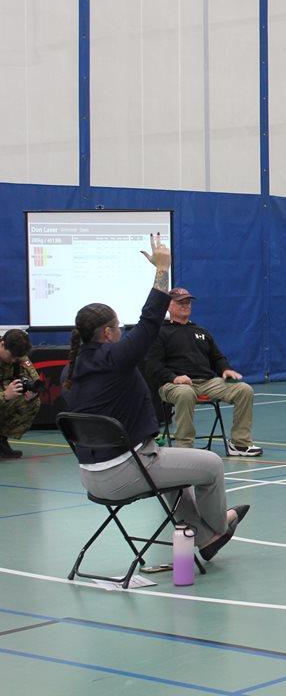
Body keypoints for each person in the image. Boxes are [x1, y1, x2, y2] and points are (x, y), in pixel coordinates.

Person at [61, 234, 248, 561]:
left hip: (91, 477)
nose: (122, 331)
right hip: (126, 471)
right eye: (118, 327)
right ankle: (220, 528)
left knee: (179, 473)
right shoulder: (116, 359)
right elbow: (150, 321)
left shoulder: (71, 370)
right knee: (212, 465)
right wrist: (162, 270)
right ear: (108, 333)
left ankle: (204, 539)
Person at [145, 288, 262, 456]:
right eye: (180, 302)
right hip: (172, 385)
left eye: (188, 302)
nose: (186, 305)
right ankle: (184, 448)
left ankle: (240, 443)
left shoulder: (201, 331)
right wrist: (174, 378)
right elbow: (153, 365)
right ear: (168, 305)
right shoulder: (159, 332)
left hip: (207, 382)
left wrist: (225, 369)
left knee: (244, 390)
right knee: (185, 393)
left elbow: (217, 357)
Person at [0, 329, 41, 459]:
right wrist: (5, 395)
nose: (13, 360)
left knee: (31, 402)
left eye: (16, 358)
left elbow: (35, 380)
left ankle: (2, 440)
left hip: (5, 395)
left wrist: (33, 391)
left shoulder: (18, 353)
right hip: (3, 394)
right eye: (11, 356)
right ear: (2, 344)